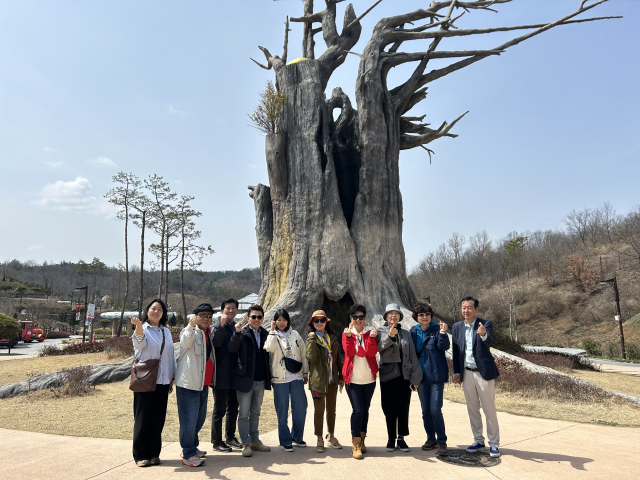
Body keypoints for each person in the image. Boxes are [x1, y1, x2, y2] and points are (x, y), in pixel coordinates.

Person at [452, 296, 501, 458]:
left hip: (483, 374)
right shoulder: (457, 327)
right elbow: (457, 351)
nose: (466, 310)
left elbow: (490, 343)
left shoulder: (485, 324)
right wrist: (457, 372)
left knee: (489, 409)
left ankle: (494, 443)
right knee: (472, 409)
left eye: (469, 308)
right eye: (463, 308)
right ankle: (478, 440)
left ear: (476, 309)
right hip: (467, 374)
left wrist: (483, 335)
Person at [130, 298, 177, 467]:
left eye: (160, 310)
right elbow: (138, 345)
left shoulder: (166, 332)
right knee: (143, 418)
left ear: (163, 314)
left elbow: (171, 355)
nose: (156, 311)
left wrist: (172, 376)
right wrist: (139, 327)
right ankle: (140, 454)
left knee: (158, 419)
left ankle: (154, 454)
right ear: (147, 311)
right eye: (153, 308)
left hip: (163, 381)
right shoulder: (142, 329)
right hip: (145, 380)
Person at [175, 303, 217, 467]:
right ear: (195, 316)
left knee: (199, 419)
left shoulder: (209, 333)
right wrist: (191, 326)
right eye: (203, 315)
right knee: (189, 420)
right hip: (188, 383)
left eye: (209, 315)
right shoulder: (190, 331)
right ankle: (188, 453)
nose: (206, 318)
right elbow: (185, 342)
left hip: (203, 384)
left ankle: (192, 446)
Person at [377, 303, 422, 453]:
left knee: (403, 407)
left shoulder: (406, 333)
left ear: (400, 317)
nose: (393, 316)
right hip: (388, 376)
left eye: (396, 313)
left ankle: (401, 438)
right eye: (390, 313)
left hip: (404, 376)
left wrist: (416, 378)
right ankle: (391, 438)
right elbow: (380, 347)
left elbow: (413, 356)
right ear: (386, 316)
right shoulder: (380, 331)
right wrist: (390, 335)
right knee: (389, 408)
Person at [228, 304, 272, 457]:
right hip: (245, 380)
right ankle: (245, 443)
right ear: (248, 318)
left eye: (259, 317)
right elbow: (232, 349)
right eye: (253, 317)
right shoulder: (242, 332)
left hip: (260, 380)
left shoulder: (266, 333)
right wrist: (237, 334)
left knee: (256, 412)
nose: (256, 319)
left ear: (262, 318)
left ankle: (255, 440)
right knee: (244, 414)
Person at [264, 308, 309, 452]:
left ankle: (296, 436)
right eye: (278, 320)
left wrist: (305, 372)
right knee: (282, 411)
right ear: (275, 321)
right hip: (279, 378)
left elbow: (303, 354)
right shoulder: (272, 335)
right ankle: (285, 440)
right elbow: (268, 348)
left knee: (301, 408)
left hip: (296, 376)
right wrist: (271, 330)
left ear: (288, 320)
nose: (281, 322)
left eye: (284, 320)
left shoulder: (295, 334)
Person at [409, 302, 450, 457]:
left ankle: (442, 441)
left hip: (436, 376)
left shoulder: (437, 329)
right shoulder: (413, 331)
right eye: (421, 314)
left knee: (435, 409)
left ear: (430, 315)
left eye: (427, 314)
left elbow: (444, 346)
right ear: (416, 317)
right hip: (421, 377)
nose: (424, 317)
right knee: (425, 410)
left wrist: (444, 333)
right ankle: (430, 438)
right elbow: (411, 354)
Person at [342, 304, 378, 460]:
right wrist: (350, 337)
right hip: (353, 379)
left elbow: (370, 352)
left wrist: (370, 338)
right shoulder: (346, 334)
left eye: (361, 317)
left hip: (369, 379)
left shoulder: (371, 333)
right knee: (358, 410)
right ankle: (355, 442)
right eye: (355, 317)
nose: (358, 319)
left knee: (365, 410)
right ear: (351, 319)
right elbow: (350, 353)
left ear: (365, 319)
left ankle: (363, 439)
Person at [306, 309, 344, 453]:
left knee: (331, 410)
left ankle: (331, 435)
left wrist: (341, 376)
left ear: (326, 322)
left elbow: (338, 359)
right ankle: (319, 438)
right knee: (319, 411)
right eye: (316, 321)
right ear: (312, 323)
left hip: (332, 379)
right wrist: (311, 340)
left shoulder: (333, 338)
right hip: (317, 381)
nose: (319, 323)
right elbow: (311, 358)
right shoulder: (312, 338)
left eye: (322, 320)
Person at [210, 298, 241, 452]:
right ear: (222, 310)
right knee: (219, 409)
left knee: (233, 408)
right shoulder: (217, 326)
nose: (230, 310)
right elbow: (216, 343)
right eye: (227, 308)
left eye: (233, 308)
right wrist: (222, 325)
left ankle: (230, 436)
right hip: (220, 374)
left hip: (234, 374)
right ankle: (216, 441)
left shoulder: (236, 327)